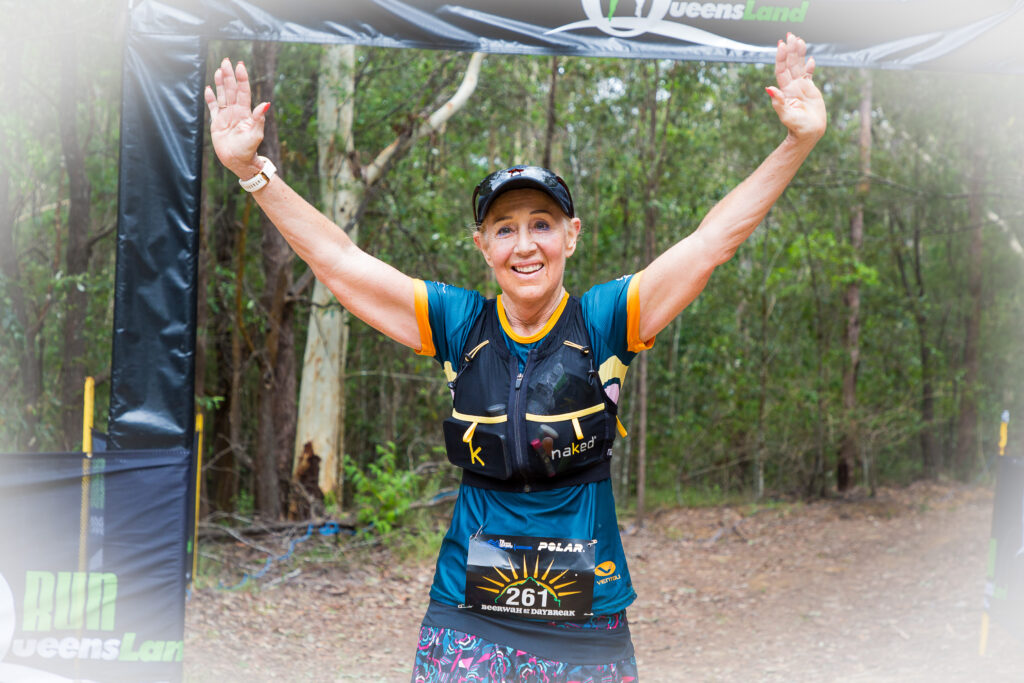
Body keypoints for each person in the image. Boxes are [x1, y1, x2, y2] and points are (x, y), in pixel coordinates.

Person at [206, 32, 826, 683]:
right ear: (483, 245)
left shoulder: (608, 320)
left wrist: (797, 142)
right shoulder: (458, 323)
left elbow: (711, 242)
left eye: (541, 224)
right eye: (505, 228)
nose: (524, 245)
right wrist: (254, 172)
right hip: (468, 613)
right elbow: (340, 262)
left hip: (586, 618)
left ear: (570, 236)